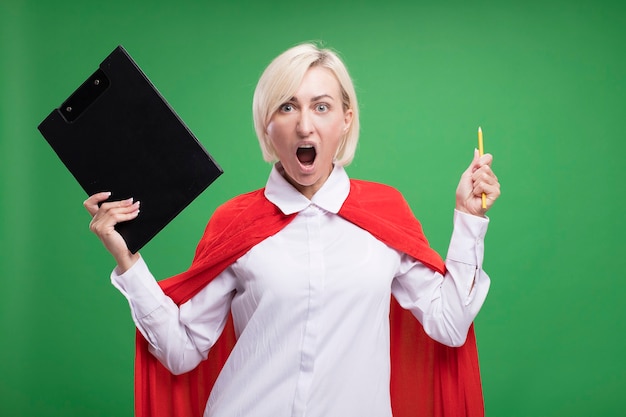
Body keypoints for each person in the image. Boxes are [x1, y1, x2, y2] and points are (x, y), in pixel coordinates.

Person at [84, 43, 500, 417]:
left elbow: (449, 323)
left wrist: (469, 218)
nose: (304, 126)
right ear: (267, 124)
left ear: (345, 119)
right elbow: (182, 351)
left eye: (321, 107)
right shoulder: (235, 221)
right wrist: (128, 260)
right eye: (287, 107)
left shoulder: (384, 211)